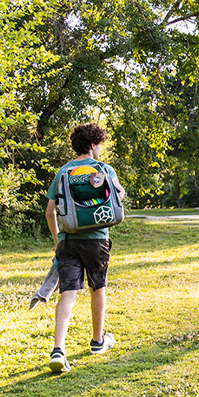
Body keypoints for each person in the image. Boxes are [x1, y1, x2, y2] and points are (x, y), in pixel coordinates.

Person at [42, 123, 124, 373]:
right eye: (99, 145)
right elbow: (118, 196)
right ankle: (98, 341)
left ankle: (58, 349)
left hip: (68, 240)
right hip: (97, 239)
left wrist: (57, 241)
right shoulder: (104, 170)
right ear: (91, 145)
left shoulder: (63, 172)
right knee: (97, 287)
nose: (100, 150)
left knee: (68, 293)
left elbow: (49, 212)